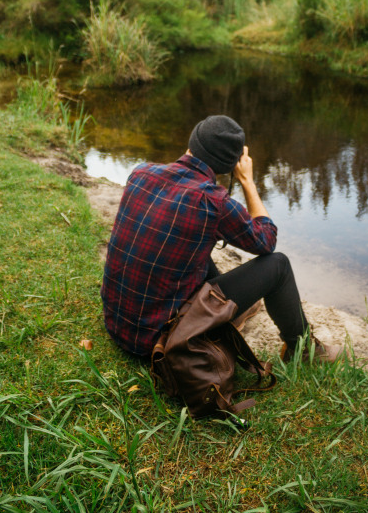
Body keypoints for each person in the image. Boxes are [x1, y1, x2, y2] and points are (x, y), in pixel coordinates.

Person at [101, 115, 340, 361]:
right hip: (161, 341)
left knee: (187, 242)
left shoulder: (141, 173)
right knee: (278, 265)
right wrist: (247, 181)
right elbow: (267, 240)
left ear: (192, 142)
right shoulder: (214, 202)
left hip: (119, 326)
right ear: (232, 164)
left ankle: (231, 315)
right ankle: (303, 350)